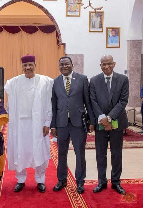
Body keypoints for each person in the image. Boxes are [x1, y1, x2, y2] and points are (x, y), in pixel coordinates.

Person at [4, 55, 53, 193]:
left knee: (40, 150)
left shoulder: (45, 81)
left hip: (38, 125)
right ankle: (20, 179)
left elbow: (49, 104)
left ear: (35, 65)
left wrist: (47, 122)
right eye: (25, 65)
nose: (28, 68)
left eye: (30, 65)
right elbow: (9, 106)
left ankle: (40, 179)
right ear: (22, 67)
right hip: (20, 125)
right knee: (20, 150)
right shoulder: (14, 82)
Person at [51, 56, 95, 194]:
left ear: (72, 65)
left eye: (66, 64)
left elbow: (88, 102)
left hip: (78, 123)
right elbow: (54, 105)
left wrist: (92, 121)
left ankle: (80, 182)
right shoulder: (56, 82)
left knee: (79, 153)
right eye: (61, 65)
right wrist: (53, 125)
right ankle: (61, 180)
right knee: (61, 153)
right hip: (62, 123)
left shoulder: (82, 79)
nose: (64, 66)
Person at [90, 55, 129, 195]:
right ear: (100, 65)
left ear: (114, 64)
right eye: (104, 64)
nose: (106, 66)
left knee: (116, 153)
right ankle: (102, 181)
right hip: (100, 122)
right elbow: (92, 101)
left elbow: (123, 101)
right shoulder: (94, 80)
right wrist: (102, 118)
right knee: (100, 153)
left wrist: (109, 117)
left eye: (109, 64)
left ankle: (116, 182)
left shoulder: (123, 79)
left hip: (117, 121)